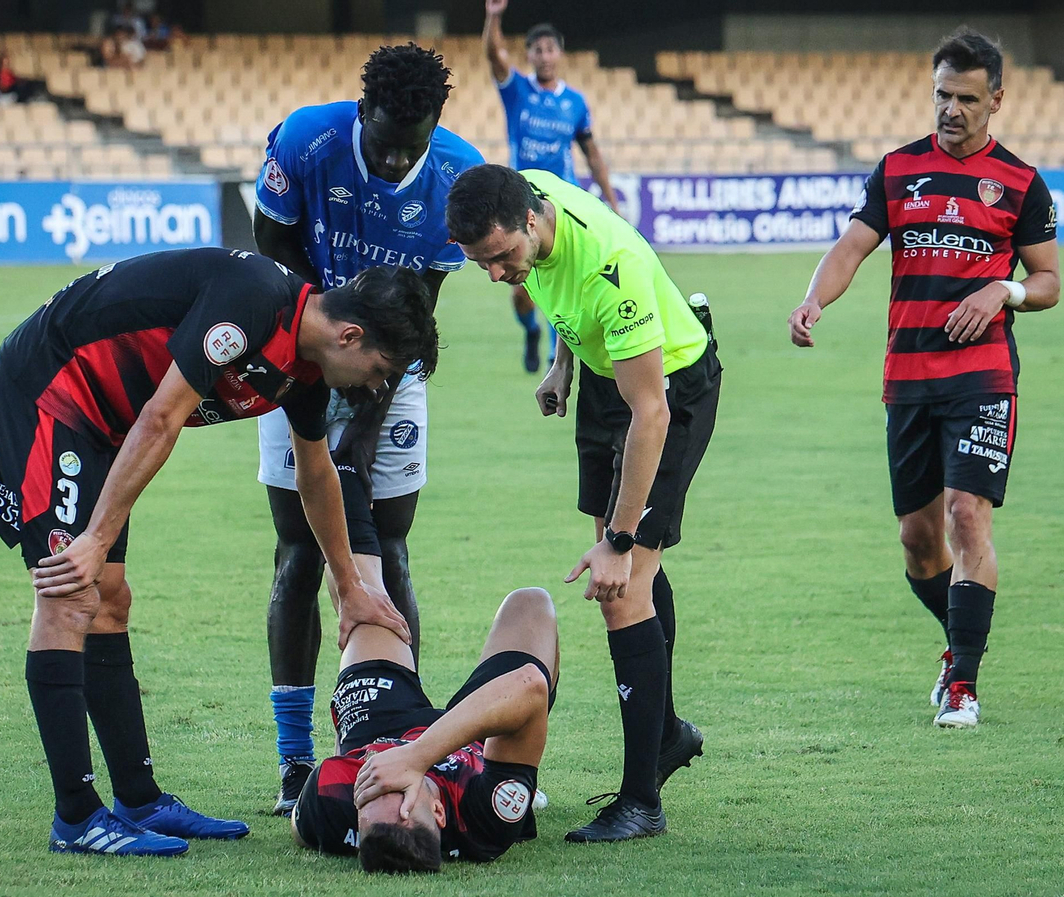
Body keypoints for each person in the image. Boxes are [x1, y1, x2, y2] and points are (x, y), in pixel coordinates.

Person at [0, 248, 436, 856]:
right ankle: (76, 818)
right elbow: (160, 418)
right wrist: (94, 539)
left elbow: (315, 474)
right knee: (70, 596)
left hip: (104, 422)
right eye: (381, 369)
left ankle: (139, 799)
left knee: (111, 601)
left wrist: (351, 587)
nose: (377, 386)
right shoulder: (253, 300)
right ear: (350, 336)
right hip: (48, 391)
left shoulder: (305, 366)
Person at [787, 28, 1061, 729]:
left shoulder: (1022, 183)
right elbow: (851, 247)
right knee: (917, 539)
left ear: (996, 100)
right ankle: (960, 640)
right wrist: (815, 299)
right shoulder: (897, 170)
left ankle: (964, 682)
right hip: (908, 378)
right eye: (942, 95)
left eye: (966, 98)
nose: (951, 109)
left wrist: (1003, 290)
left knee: (967, 516)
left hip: (983, 377)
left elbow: (1048, 281)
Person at [446, 165, 717, 842]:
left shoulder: (610, 269)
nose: (497, 274)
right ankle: (665, 733)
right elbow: (561, 294)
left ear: (529, 220)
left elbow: (652, 413)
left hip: (667, 390)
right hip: (603, 378)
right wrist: (562, 364)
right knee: (633, 585)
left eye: (501, 256)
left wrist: (619, 540)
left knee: (622, 585)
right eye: (481, 264)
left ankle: (641, 803)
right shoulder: (527, 192)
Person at [251, 42, 483, 818]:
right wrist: (317, 361)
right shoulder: (305, 141)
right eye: (383, 142)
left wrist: (366, 413)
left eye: (410, 147)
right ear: (362, 112)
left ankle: (406, 734)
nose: (393, 160)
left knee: (392, 546)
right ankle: (294, 759)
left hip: (395, 362)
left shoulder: (455, 177)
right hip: (303, 347)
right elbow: (272, 248)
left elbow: (417, 317)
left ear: (434, 127)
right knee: (299, 548)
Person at [292, 564, 557, 872]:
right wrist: (416, 757)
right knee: (530, 603)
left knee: (360, 590)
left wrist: (351, 745)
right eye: (395, 786)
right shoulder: (484, 819)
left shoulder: (330, 804)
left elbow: (301, 827)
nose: (383, 775)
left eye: (369, 788)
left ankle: (364, 533)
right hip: (478, 738)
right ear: (438, 811)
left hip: (380, 730)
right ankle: (518, 771)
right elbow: (530, 685)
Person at [482, 0, 620, 373]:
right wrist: (493, 17)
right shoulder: (517, 91)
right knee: (521, 289)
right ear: (529, 54)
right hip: (521, 198)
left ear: (560, 54)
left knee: (566, 278)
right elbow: (494, 56)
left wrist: (611, 202)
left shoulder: (575, 103)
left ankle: (555, 356)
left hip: (563, 201)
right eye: (537, 50)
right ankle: (531, 330)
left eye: (550, 49)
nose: (544, 56)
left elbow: (592, 153)